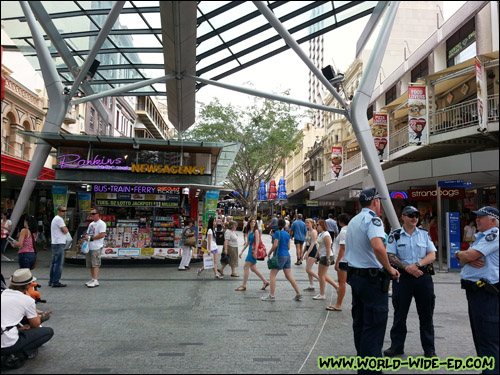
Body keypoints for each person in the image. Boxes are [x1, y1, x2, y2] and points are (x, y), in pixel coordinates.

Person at [344, 188, 400, 374]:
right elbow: (378, 246)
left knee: (359, 322)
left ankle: (363, 364)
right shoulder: (373, 220)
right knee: (374, 324)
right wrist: (389, 268)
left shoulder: (354, 220)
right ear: (375, 201)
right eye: (379, 201)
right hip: (371, 279)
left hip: (356, 277)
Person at [384, 206, 437, 358]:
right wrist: (408, 268)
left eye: (417, 215)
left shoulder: (424, 234)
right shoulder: (395, 235)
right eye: (410, 215)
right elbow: (391, 255)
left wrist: (417, 265)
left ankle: (429, 349)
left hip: (422, 276)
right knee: (400, 314)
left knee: (426, 315)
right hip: (404, 278)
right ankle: (396, 346)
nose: (414, 218)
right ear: (403, 217)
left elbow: (432, 254)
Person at [454, 206, 499, 375]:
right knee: (480, 337)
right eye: (477, 217)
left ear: (493, 220)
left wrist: (464, 256)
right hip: (476, 293)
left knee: (489, 338)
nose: (477, 220)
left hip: (486, 294)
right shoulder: (481, 238)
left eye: (482, 217)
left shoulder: (493, 235)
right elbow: (462, 255)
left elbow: (468, 256)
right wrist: (462, 254)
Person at [1, 269, 54, 369]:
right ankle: (20, 352)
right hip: (7, 345)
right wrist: (31, 300)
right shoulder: (27, 300)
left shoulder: (3, 293)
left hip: (4, 332)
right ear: (27, 285)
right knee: (48, 332)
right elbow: (36, 324)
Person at [261, 219, 302, 301]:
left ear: (277, 225)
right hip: (287, 256)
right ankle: (298, 293)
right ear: (285, 225)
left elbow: (275, 245)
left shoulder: (277, 233)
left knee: (272, 275)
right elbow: (289, 247)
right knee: (289, 276)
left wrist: (269, 252)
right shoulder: (287, 234)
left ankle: (271, 296)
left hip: (279, 255)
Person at [235, 217, 269, 291]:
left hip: (253, 250)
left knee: (245, 267)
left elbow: (257, 242)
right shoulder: (249, 231)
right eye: (252, 222)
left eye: (254, 222)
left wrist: (255, 252)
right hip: (250, 249)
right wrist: (241, 251)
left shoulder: (256, 231)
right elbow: (247, 243)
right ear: (249, 223)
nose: (253, 223)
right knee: (253, 268)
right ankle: (265, 281)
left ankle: (244, 285)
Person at [328, 213, 350, 311]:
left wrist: (337, 262)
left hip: (343, 260)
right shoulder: (351, 230)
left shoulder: (343, 232)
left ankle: (338, 304)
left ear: (340, 221)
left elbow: (342, 248)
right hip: (349, 259)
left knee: (341, 283)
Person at [312, 220, 339, 300]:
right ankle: (337, 288)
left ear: (322, 225)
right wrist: (316, 256)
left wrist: (327, 258)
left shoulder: (326, 235)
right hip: (322, 255)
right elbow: (320, 247)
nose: (316, 226)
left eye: (317, 224)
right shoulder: (321, 234)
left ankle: (322, 294)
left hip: (326, 256)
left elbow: (328, 247)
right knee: (323, 275)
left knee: (321, 275)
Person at [83, 208, 107, 288]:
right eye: (91, 214)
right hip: (90, 246)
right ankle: (93, 279)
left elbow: (102, 235)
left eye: (93, 214)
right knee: (91, 264)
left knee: (95, 263)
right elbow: (89, 233)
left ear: (98, 214)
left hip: (96, 246)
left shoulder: (101, 224)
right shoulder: (91, 224)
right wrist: (86, 238)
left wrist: (91, 238)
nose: (91, 216)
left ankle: (95, 280)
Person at [49, 206, 69, 288]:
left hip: (55, 242)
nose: (64, 212)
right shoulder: (59, 219)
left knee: (54, 262)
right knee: (58, 263)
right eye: (63, 211)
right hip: (59, 243)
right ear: (58, 211)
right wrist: (65, 229)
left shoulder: (55, 219)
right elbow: (65, 230)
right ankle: (55, 281)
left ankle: (52, 280)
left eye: (65, 211)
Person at [303, 218, 319, 292]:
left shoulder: (314, 232)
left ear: (312, 223)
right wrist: (302, 253)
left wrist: (307, 253)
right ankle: (311, 285)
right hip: (308, 249)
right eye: (306, 223)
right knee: (308, 270)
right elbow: (306, 244)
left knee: (308, 269)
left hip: (313, 250)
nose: (306, 224)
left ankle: (321, 279)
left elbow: (313, 243)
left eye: (308, 223)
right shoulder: (307, 232)